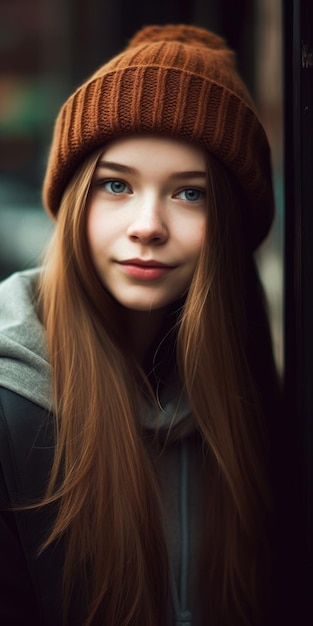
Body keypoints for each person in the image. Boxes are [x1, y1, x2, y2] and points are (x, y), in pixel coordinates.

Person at [0, 23, 281, 626]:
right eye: (117, 185)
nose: (147, 224)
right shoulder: (9, 405)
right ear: (76, 201)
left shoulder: (252, 397)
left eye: (190, 195)